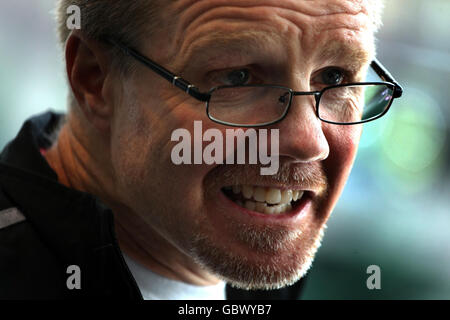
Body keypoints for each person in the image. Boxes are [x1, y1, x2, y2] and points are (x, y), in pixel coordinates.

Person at [0, 0, 402, 299]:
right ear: (95, 79)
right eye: (238, 77)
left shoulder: (244, 263)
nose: (308, 141)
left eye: (335, 77)